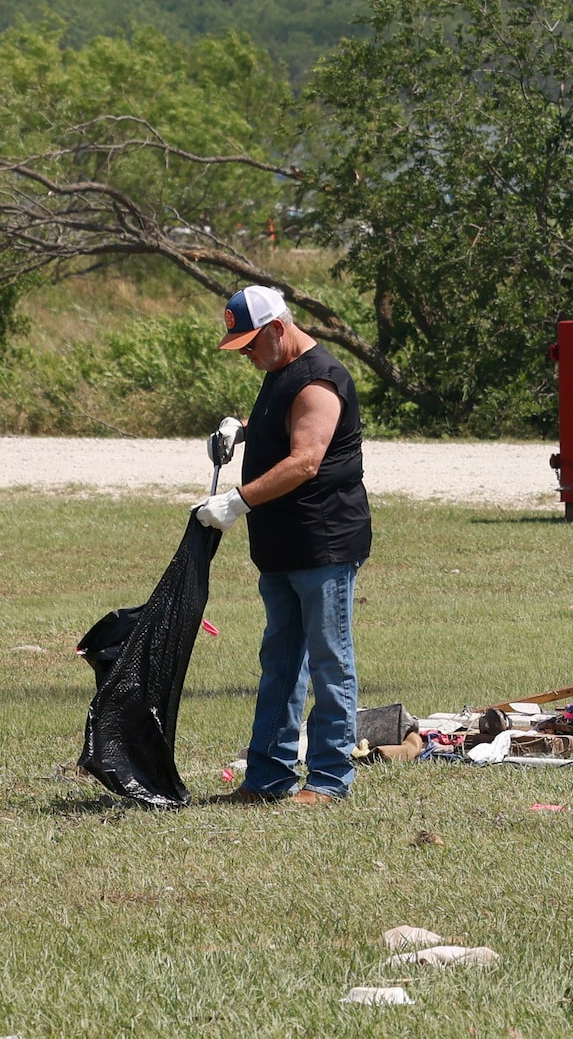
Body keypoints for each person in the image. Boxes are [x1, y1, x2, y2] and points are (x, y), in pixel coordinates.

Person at [189, 285, 369, 802]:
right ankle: (268, 778)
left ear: (276, 329)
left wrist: (237, 501)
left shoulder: (319, 379)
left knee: (329, 662)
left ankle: (331, 782)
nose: (245, 355)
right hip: (283, 547)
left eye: (249, 344)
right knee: (281, 663)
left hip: (323, 545)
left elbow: (306, 459)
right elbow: (279, 424)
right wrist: (240, 430)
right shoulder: (281, 371)